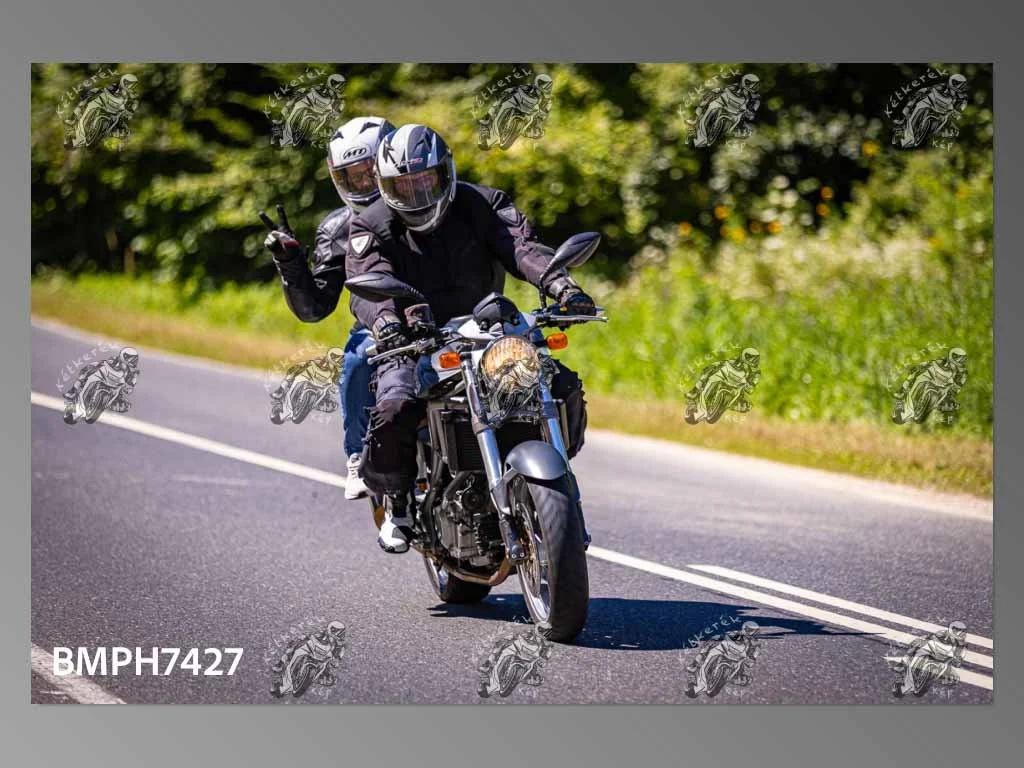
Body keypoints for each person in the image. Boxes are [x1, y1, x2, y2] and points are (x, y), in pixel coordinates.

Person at [346, 123, 596, 553]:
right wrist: (386, 322)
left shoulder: (483, 203)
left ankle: (552, 485)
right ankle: (398, 500)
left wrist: (562, 286)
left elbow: (521, 247)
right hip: (410, 336)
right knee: (395, 403)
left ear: (446, 172)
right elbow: (368, 279)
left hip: (486, 329)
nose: (418, 194)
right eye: (404, 186)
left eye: (426, 180)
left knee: (559, 383)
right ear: (385, 187)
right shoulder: (370, 224)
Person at [263, 115, 395, 500]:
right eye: (354, 176)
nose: (365, 183)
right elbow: (315, 307)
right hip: (382, 326)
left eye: (371, 171)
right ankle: (357, 455)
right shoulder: (338, 227)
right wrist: (291, 264)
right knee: (357, 356)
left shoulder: (429, 200)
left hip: (449, 315)